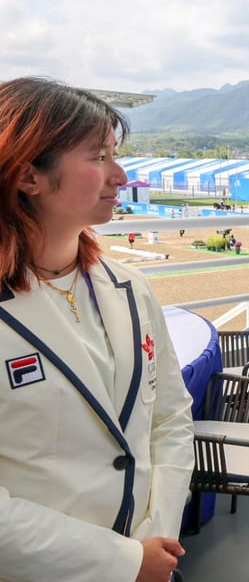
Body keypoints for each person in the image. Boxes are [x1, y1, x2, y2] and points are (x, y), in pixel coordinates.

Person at [0, 78, 195, 582]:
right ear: (28, 177)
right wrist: (122, 562)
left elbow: (170, 418)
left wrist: (158, 537)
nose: (121, 173)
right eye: (98, 156)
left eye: (115, 154)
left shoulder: (130, 287)